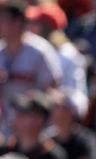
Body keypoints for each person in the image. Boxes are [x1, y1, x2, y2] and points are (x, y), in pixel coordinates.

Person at [0, 0, 61, 136]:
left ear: (17, 22)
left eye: (2, 20)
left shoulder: (39, 50)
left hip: (36, 128)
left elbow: (52, 91)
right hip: (5, 126)